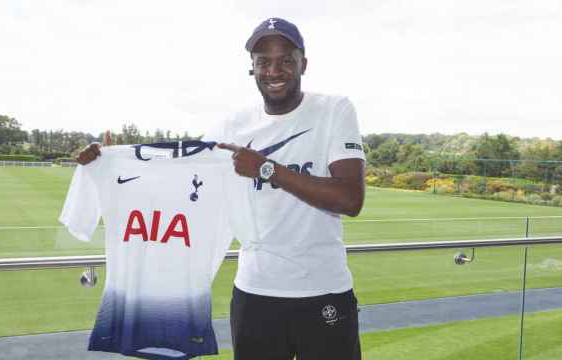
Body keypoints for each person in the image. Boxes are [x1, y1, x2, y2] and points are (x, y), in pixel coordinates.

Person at [77, 17, 366, 360]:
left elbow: (350, 199)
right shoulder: (232, 125)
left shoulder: (333, 110)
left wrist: (266, 168)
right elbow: (179, 177)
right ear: (252, 68)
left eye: (286, 60)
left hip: (324, 290)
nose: (275, 70)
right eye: (264, 62)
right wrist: (109, 162)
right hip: (256, 293)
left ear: (303, 63)